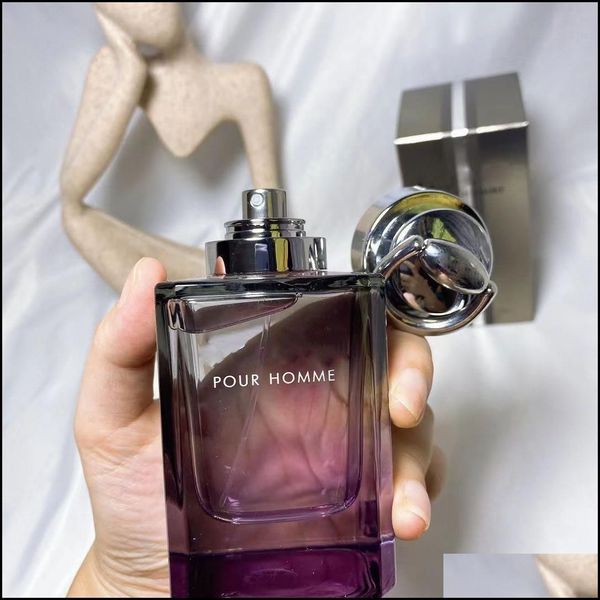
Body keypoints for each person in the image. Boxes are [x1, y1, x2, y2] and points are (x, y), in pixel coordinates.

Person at [68, 258, 444, 597]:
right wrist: (123, 587)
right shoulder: (183, 304)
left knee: (393, 403)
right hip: (201, 572)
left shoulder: (358, 296)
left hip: (343, 564)